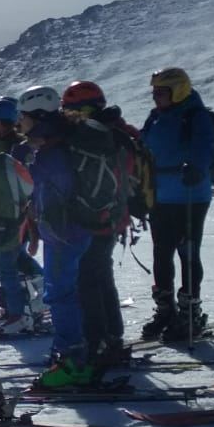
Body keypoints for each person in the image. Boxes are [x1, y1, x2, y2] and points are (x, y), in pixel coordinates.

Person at [19, 88, 96, 387]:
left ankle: (71, 361)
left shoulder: (53, 154)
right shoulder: (58, 144)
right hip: (71, 231)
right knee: (67, 292)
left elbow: (54, 196)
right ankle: (73, 352)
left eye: (24, 117)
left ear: (39, 118)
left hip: (64, 234)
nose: (20, 123)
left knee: (60, 294)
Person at [58, 81, 136, 366]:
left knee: (87, 280)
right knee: (101, 277)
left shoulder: (91, 137)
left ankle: (97, 343)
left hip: (94, 219)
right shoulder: (119, 132)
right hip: (114, 218)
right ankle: (111, 337)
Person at [138, 67, 214, 341]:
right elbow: (144, 144)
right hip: (161, 196)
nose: (155, 97)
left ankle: (189, 314)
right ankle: (166, 311)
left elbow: (205, 145)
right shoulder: (156, 117)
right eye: (154, 92)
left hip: (190, 197)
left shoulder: (195, 116)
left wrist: (196, 167)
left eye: (161, 92)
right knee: (161, 254)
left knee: (188, 254)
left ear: (178, 90)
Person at [0, 96, 44, 336]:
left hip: (14, 216)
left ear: (3, 123)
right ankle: (13, 308)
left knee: (6, 265)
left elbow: (26, 184)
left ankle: (19, 313)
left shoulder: (17, 149)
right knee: (6, 263)